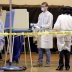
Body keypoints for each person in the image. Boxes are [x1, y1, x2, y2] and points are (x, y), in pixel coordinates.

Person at [32, 2, 53, 67]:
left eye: (43, 6)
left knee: (47, 49)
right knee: (39, 48)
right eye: (41, 6)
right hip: (40, 33)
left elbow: (49, 25)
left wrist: (41, 26)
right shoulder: (40, 14)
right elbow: (39, 23)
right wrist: (34, 25)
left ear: (47, 7)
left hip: (46, 33)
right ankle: (39, 62)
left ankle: (48, 63)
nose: (42, 8)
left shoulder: (50, 15)